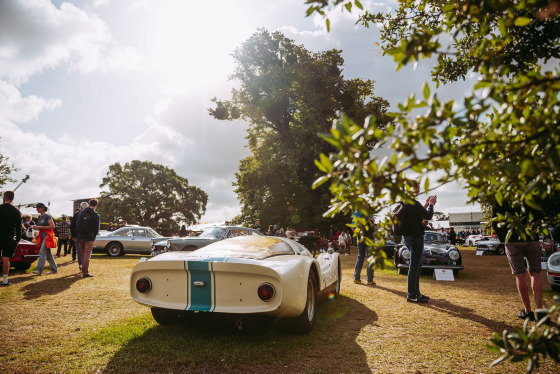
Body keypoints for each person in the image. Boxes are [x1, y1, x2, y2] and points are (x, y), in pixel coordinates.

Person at [492, 201, 545, 321]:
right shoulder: (530, 191)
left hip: (512, 239)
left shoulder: (500, 195)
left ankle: (528, 311)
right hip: (531, 237)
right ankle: (540, 312)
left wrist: (504, 238)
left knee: (520, 275)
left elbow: (494, 221)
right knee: (535, 274)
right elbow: (540, 215)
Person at [401, 183, 436, 303]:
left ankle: (416, 293)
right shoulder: (413, 203)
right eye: (418, 187)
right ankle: (412, 294)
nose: (419, 189)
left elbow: (416, 217)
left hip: (408, 237)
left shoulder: (405, 202)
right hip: (416, 237)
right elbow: (428, 216)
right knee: (414, 266)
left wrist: (425, 205)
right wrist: (431, 205)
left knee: (417, 265)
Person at [0, 191, 22, 286]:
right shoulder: (16, 211)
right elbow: (18, 227)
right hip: (10, 237)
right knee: (6, 259)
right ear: (12, 199)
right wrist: (18, 240)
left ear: (4, 197)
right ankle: (5, 280)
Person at [32, 203, 58, 275]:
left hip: (48, 236)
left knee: (42, 251)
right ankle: (54, 269)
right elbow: (41, 227)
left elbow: (52, 226)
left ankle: (39, 270)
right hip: (42, 236)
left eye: (38, 208)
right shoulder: (40, 217)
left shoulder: (47, 216)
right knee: (48, 254)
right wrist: (37, 229)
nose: (37, 209)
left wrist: (39, 227)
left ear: (42, 208)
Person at [77, 199, 100, 278]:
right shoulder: (95, 215)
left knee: (82, 254)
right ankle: (85, 272)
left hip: (81, 236)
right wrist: (93, 236)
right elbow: (96, 229)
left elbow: (77, 224)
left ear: (89, 204)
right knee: (87, 254)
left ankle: (83, 269)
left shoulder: (81, 212)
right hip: (89, 237)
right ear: (96, 205)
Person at [353, 213, 375, 286]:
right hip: (369, 238)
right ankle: (370, 280)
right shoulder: (368, 212)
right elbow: (373, 223)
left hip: (360, 238)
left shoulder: (356, 213)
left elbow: (353, 228)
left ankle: (356, 278)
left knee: (360, 257)